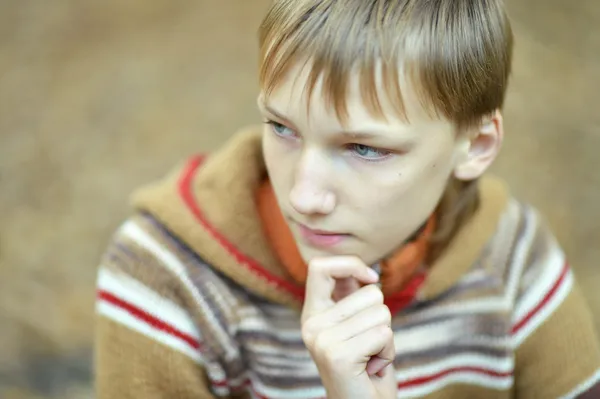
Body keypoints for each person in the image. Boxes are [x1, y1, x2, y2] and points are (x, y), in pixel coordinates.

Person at [94, 0, 600, 398]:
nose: (304, 195)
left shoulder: (511, 254)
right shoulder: (164, 280)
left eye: (364, 147)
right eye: (282, 127)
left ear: (476, 146)